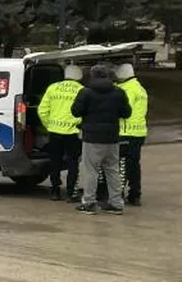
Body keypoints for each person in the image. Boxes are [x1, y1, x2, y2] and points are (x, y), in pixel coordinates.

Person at [71, 64, 132, 215]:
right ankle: (116, 203)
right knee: (112, 170)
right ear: (108, 75)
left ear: (92, 75)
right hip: (112, 138)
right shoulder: (119, 92)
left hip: (92, 137)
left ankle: (89, 202)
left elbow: (75, 111)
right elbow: (127, 113)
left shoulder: (86, 92)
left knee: (91, 170)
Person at [37, 65, 84, 201]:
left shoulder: (53, 88)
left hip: (54, 131)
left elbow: (42, 110)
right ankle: (71, 192)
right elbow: (85, 112)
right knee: (73, 162)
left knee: (55, 161)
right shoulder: (81, 90)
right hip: (73, 132)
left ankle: (55, 191)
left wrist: (48, 124)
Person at [116, 63, 149, 206]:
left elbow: (123, 109)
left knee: (122, 164)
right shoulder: (141, 88)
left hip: (125, 131)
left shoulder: (126, 89)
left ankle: (118, 194)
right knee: (134, 164)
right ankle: (135, 194)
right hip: (139, 132)